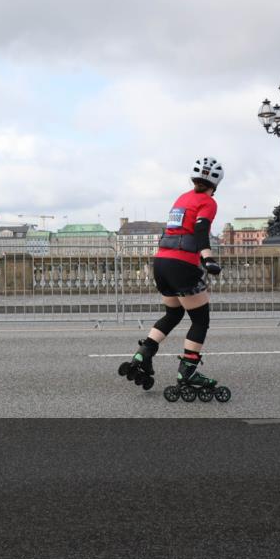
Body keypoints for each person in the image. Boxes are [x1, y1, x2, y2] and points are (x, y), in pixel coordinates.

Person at [120, 156, 225, 392]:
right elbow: (200, 230)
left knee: (173, 314)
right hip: (182, 265)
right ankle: (188, 372)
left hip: (161, 264)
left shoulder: (182, 198)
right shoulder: (208, 202)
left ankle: (143, 354)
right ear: (216, 183)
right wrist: (208, 259)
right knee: (200, 320)